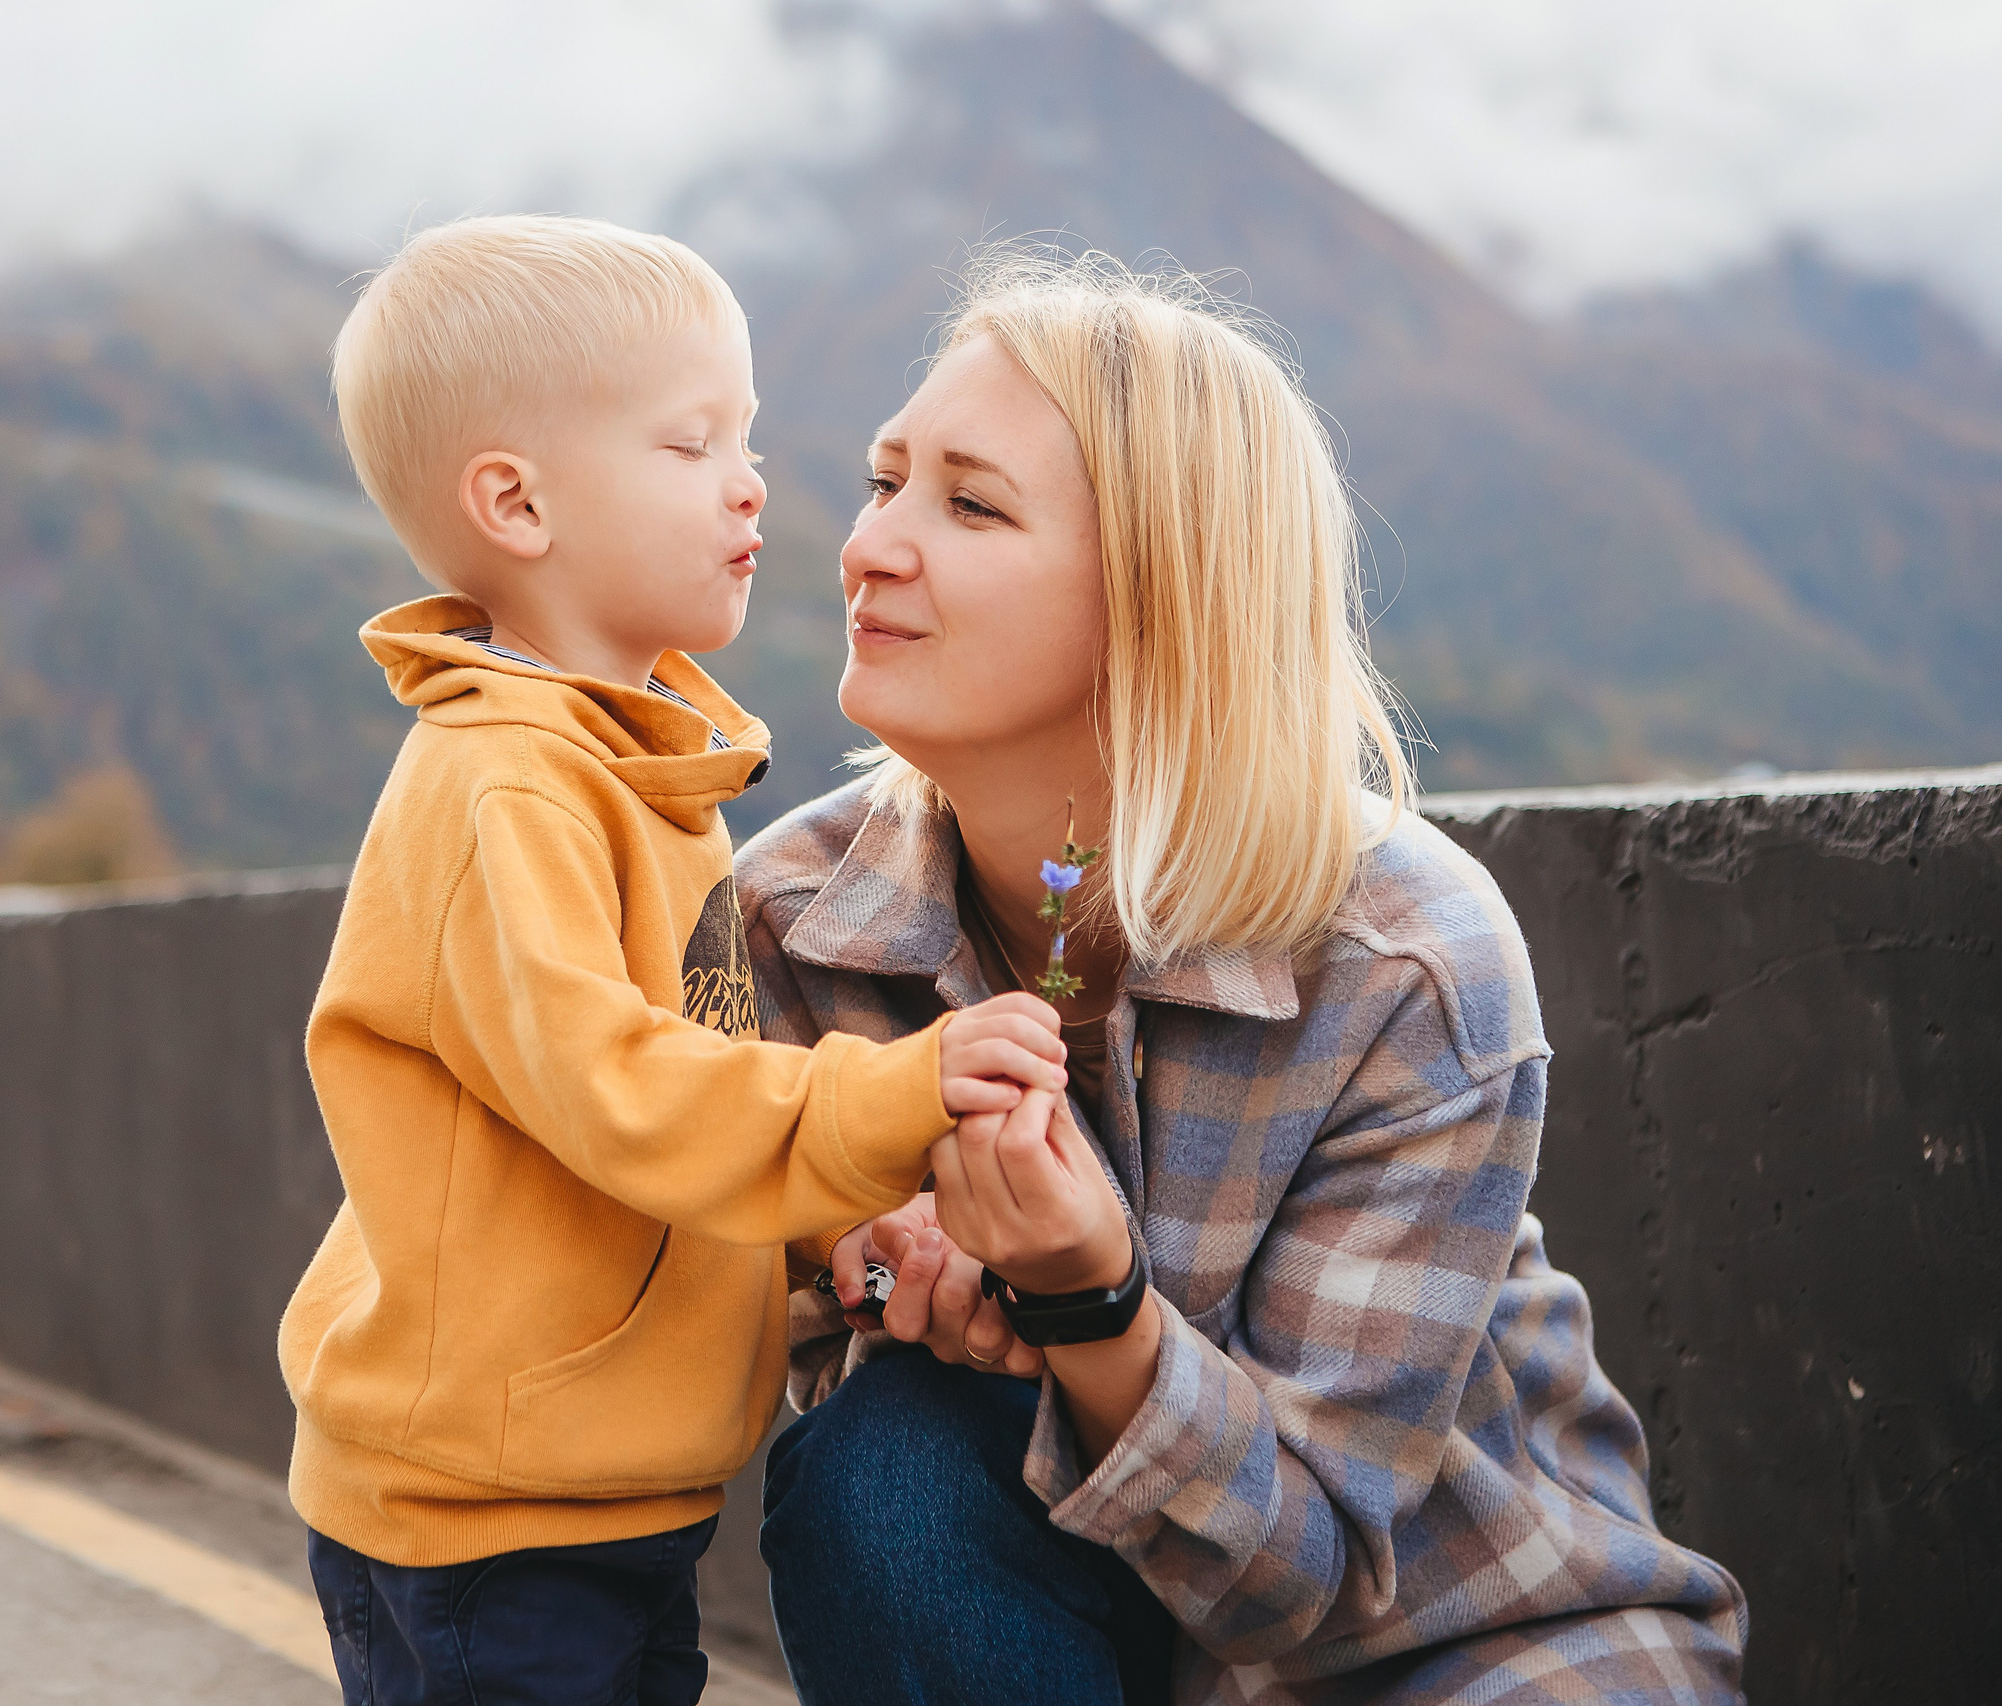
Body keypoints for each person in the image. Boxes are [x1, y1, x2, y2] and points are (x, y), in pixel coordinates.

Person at [739, 251, 1750, 1704]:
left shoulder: (1406, 953)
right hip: (1062, 1627)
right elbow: (785, 1369)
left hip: (1462, 1645)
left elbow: (1309, 1578)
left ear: (1161, 592)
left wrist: (1092, 1302)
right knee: (884, 1456)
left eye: (967, 503)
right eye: (883, 481)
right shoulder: (789, 918)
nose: (871, 545)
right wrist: (887, 1281)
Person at [277, 215, 1070, 1706]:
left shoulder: (636, 772)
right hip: (489, 1518)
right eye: (693, 442)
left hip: (602, 1488)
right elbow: (618, 1089)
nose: (752, 481)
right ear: (516, 502)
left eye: (749, 439)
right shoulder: (504, 787)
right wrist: (879, 1103)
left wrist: (820, 1234)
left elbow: (661, 1131)